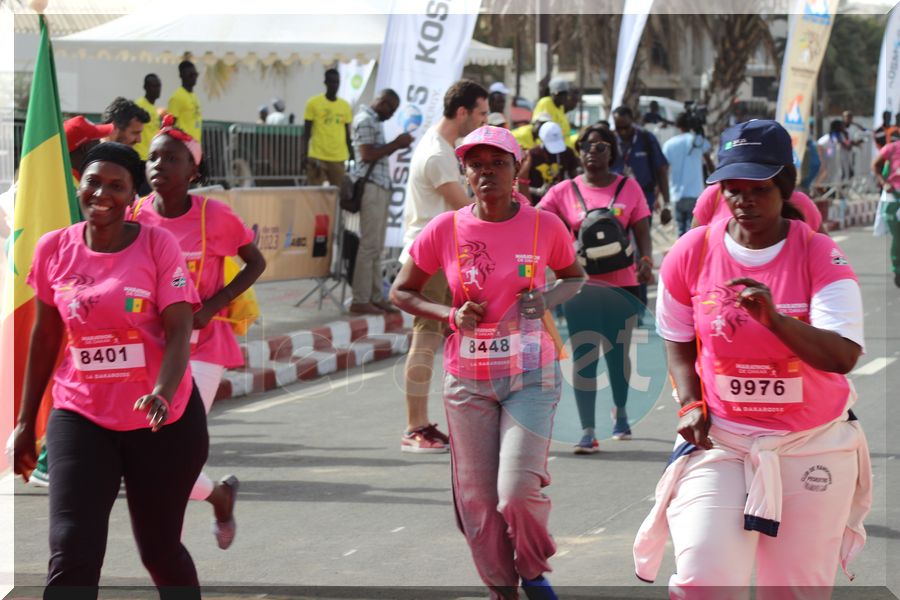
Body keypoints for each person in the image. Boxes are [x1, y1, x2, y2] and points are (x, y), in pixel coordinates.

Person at [633, 119, 871, 596]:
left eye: (758, 188)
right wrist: (690, 402)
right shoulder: (691, 252)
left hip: (810, 445)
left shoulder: (821, 256)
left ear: (784, 185)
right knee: (702, 579)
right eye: (732, 188)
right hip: (724, 443)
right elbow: (677, 336)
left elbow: (842, 354)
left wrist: (776, 320)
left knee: (795, 589)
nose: (744, 200)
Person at [390, 125, 586, 600]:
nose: (486, 172)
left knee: (515, 491)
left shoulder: (544, 226)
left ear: (516, 168)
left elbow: (574, 277)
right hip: (468, 382)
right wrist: (448, 314)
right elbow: (402, 290)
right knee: (476, 501)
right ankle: (503, 589)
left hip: (530, 378)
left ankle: (534, 570)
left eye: (498, 162)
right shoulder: (447, 228)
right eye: (476, 164)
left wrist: (546, 299)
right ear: (465, 172)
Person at [12, 142, 208, 598]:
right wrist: (24, 422)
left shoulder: (158, 245)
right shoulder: (54, 248)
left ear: (131, 195)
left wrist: (161, 391)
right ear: (79, 184)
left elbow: (179, 332)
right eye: (93, 182)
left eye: (116, 185)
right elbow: (45, 338)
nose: (102, 193)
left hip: (162, 420)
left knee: (159, 550)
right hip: (81, 413)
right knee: (71, 545)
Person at [132, 114, 267, 549]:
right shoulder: (135, 215)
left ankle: (169, 553)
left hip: (202, 348)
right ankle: (220, 495)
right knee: (153, 457)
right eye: (152, 157)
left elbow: (255, 262)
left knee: (171, 451)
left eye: (171, 158)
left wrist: (211, 306)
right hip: (149, 347)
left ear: (193, 171)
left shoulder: (216, 215)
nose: (159, 166)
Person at [539, 124, 653, 448]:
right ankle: (588, 429)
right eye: (587, 146)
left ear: (611, 152)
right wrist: (558, 253)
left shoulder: (629, 188)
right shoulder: (563, 191)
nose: (593, 151)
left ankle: (620, 413)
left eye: (601, 146)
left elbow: (642, 229)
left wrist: (645, 261)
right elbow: (539, 222)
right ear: (579, 152)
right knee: (585, 356)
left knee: (618, 354)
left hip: (624, 286)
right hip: (580, 287)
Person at [398, 79, 489, 453]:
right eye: (481, 113)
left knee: (454, 340)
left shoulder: (443, 148)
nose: (485, 120)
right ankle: (415, 427)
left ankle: (450, 422)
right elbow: (465, 208)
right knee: (425, 341)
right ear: (462, 112)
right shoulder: (437, 153)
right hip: (429, 258)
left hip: (443, 256)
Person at [348, 89, 413, 314]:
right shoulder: (365, 120)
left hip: (380, 186)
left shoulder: (373, 121)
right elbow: (366, 155)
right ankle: (360, 299)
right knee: (369, 246)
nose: (391, 114)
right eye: (391, 109)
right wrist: (396, 144)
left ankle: (375, 296)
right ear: (382, 102)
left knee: (376, 247)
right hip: (371, 187)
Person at [663, 112, 711, 236]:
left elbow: (663, 171)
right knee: (694, 231)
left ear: (677, 125)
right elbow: (709, 162)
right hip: (695, 193)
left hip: (677, 195)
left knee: (680, 231)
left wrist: (662, 196)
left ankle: (682, 254)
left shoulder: (669, 144)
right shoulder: (698, 141)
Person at [302, 68, 354, 186]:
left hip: (338, 157)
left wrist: (352, 154)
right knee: (315, 193)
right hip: (317, 156)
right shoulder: (313, 103)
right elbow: (306, 132)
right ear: (325, 83)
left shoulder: (345, 106)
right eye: (331, 82)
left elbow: (347, 133)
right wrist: (304, 155)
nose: (334, 85)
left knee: (338, 193)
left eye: (336, 82)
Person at [517, 121, 578, 205]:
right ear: (541, 139)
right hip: (538, 203)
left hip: (562, 203)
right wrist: (537, 191)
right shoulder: (532, 155)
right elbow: (521, 183)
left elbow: (575, 179)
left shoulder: (567, 152)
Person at [872, 140, 900, 288]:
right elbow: (875, 166)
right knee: (898, 236)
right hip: (893, 198)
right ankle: (897, 268)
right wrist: (884, 183)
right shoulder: (891, 148)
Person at [167, 60, 202, 143]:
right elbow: (169, 126)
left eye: (195, 74)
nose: (194, 77)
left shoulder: (194, 96)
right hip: (183, 146)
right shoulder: (176, 97)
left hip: (195, 145)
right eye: (190, 75)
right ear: (181, 75)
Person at [533, 78, 574, 148]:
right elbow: (541, 128)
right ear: (552, 93)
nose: (563, 97)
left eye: (565, 94)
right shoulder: (545, 102)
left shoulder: (561, 107)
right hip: (549, 147)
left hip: (563, 147)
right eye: (560, 94)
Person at [134, 74, 162, 161]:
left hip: (152, 157)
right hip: (141, 156)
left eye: (158, 86)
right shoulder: (139, 105)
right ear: (145, 87)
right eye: (154, 86)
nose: (157, 89)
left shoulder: (155, 108)